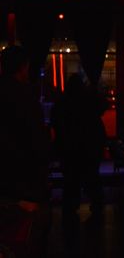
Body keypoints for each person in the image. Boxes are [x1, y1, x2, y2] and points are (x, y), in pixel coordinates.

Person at [0, 46, 50, 257]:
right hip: (25, 180)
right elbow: (37, 141)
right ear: (24, 67)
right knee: (29, 238)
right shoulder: (26, 97)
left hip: (5, 179)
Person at [52, 74, 107, 225]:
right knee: (91, 177)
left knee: (71, 180)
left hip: (69, 148)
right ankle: (96, 204)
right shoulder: (87, 101)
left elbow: (56, 123)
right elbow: (102, 107)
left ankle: (70, 207)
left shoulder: (62, 103)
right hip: (89, 146)